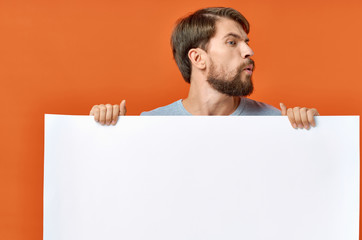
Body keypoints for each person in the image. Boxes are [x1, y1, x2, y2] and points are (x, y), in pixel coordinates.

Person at [90, 7, 319, 129]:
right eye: (232, 42)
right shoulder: (152, 125)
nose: (249, 52)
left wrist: (311, 133)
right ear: (198, 58)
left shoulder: (274, 123)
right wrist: (103, 131)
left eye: (246, 42)